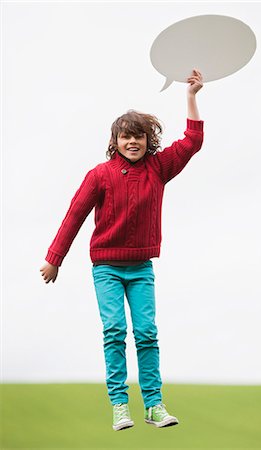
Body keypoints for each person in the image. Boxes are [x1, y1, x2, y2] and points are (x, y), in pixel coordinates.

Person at [40, 69, 204, 431]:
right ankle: (119, 404)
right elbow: (75, 215)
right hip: (107, 269)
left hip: (141, 268)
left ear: (148, 141)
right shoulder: (100, 175)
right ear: (115, 141)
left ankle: (153, 405)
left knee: (146, 333)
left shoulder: (159, 169)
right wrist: (55, 258)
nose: (133, 142)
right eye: (126, 136)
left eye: (139, 136)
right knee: (115, 329)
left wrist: (191, 96)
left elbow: (191, 143)